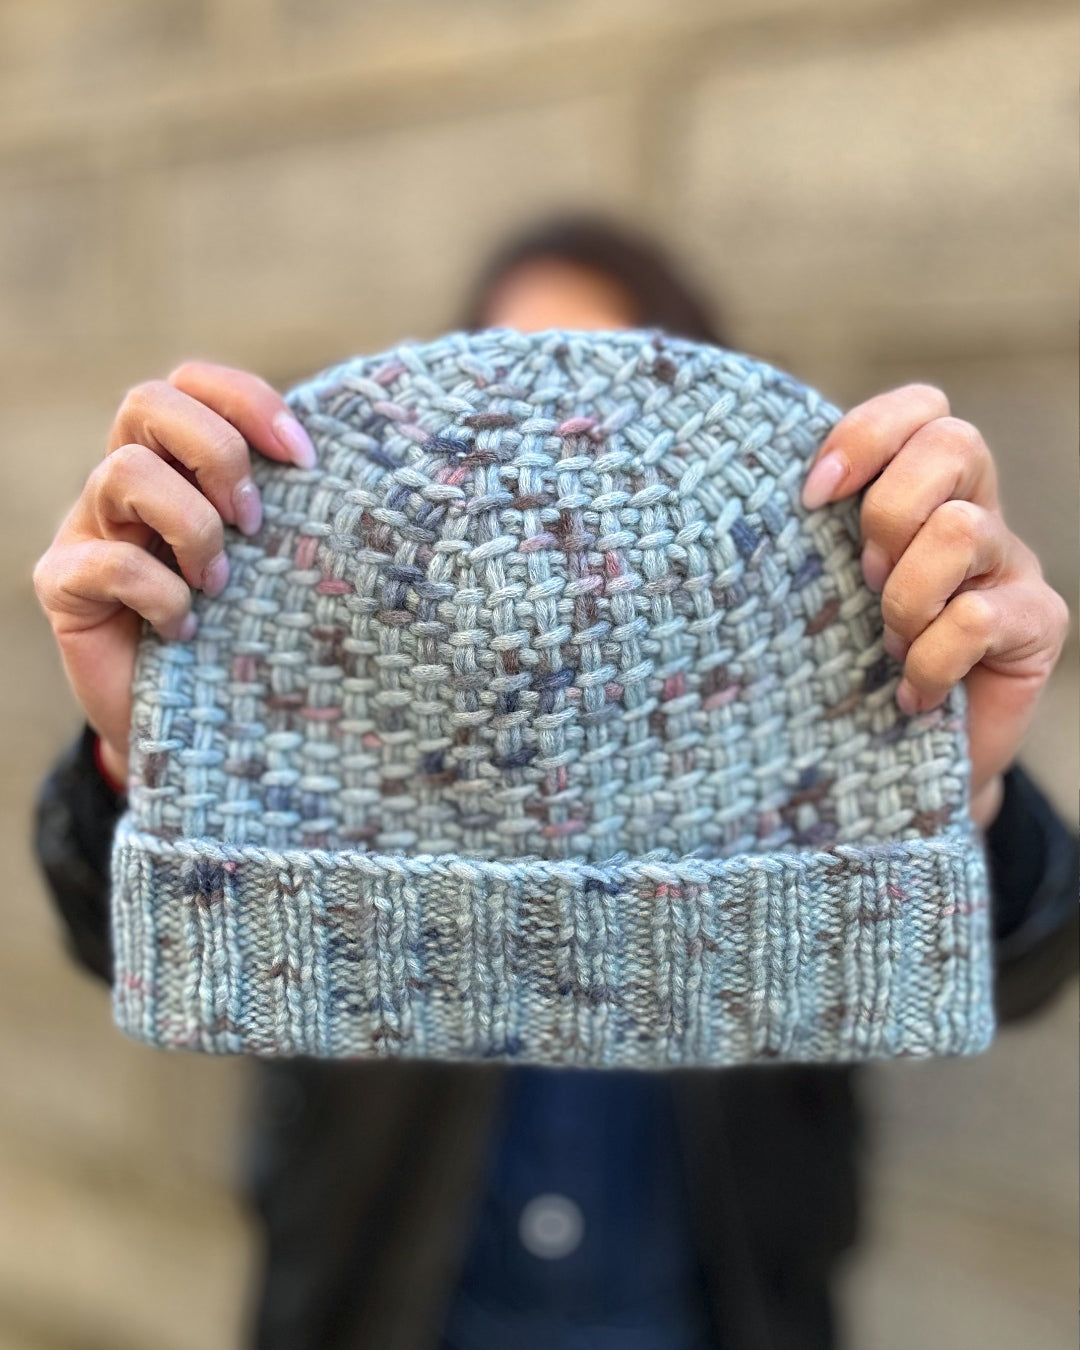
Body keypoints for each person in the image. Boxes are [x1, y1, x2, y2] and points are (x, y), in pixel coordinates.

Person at [31, 215, 1079, 1350]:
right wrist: (152, 760)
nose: (555, 465)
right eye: (506, 384)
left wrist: (955, 797)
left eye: (615, 399)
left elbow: (1024, 966)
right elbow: (137, 947)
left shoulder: (819, 674)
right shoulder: (337, 678)